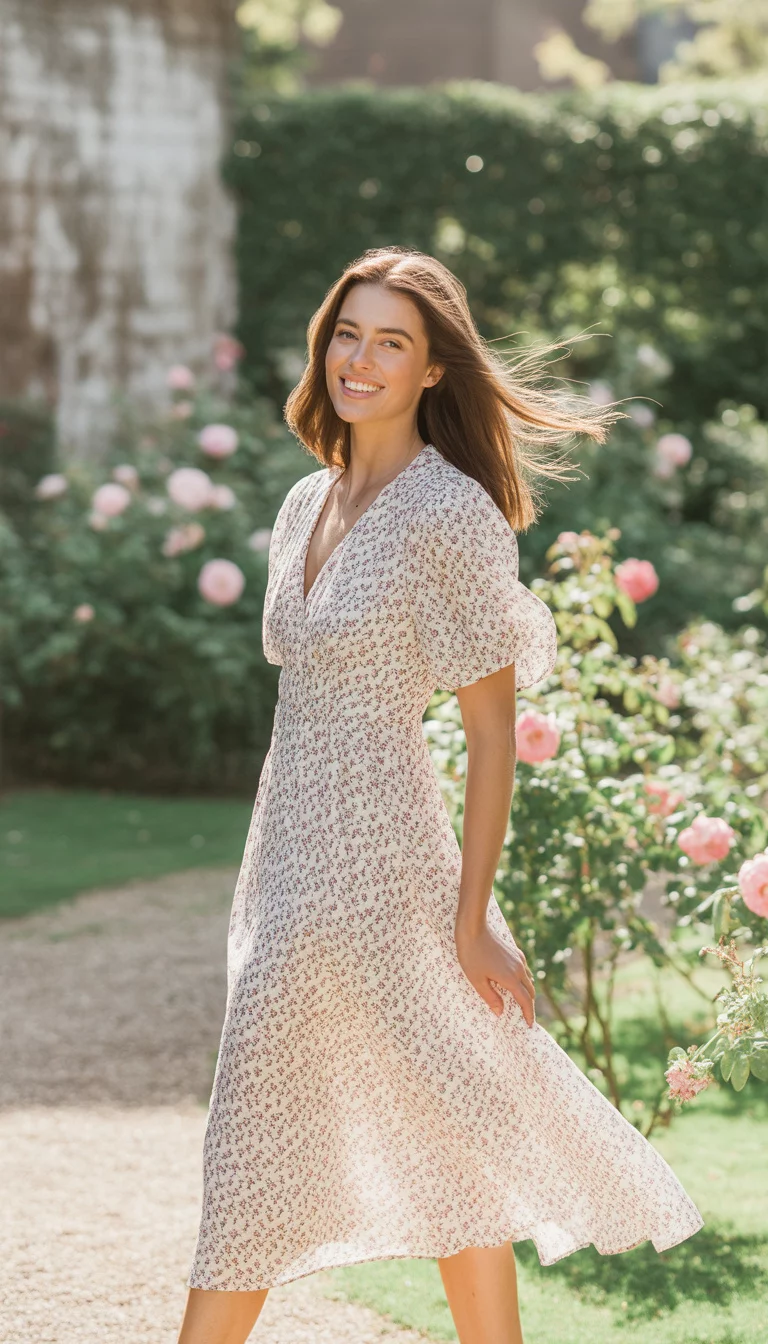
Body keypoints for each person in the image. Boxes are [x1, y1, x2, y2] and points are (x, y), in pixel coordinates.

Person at [177, 247, 703, 1344]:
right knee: (440, 1127)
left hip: (382, 865)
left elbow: (490, 728)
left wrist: (469, 920)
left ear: (431, 372)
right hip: (286, 858)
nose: (360, 359)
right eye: (347, 334)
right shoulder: (303, 500)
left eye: (392, 343)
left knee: (268, 1140)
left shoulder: (449, 513)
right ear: (325, 343)